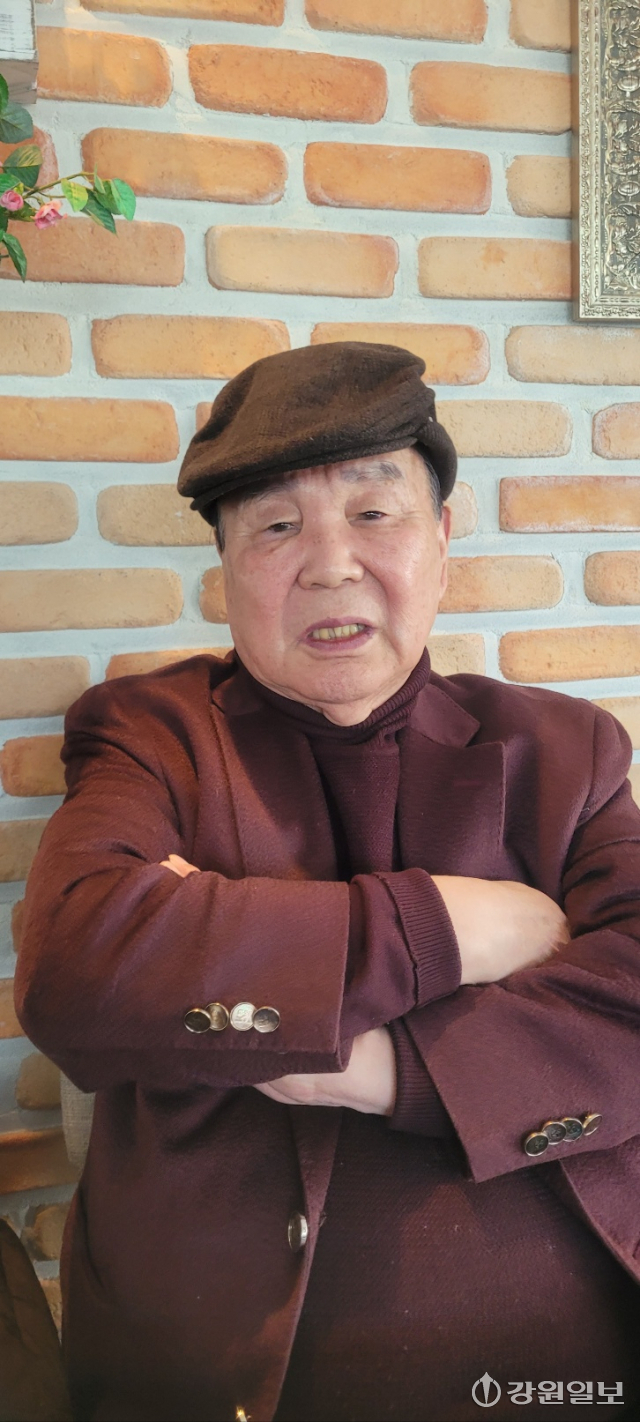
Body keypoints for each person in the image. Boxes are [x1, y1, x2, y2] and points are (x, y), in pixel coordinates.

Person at [14, 342, 640, 1422]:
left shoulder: (560, 750)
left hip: (570, 1362)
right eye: (274, 527)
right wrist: (453, 926)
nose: (329, 566)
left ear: (442, 540)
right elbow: (79, 970)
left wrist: (373, 1066)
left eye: (373, 512)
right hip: (231, 1370)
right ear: (224, 567)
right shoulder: (152, 738)